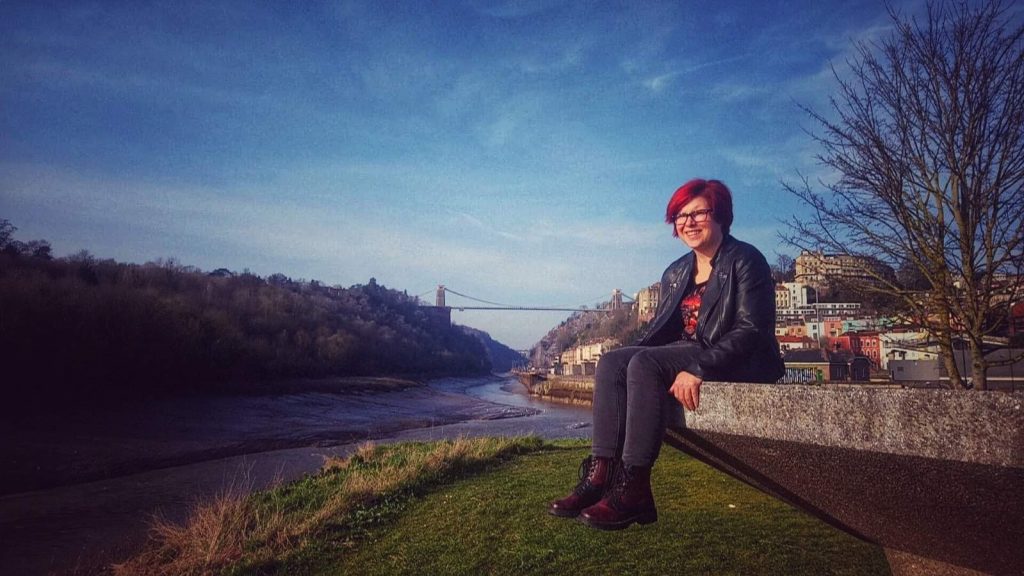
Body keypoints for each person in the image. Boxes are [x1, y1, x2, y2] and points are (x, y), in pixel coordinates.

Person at [548, 178, 785, 530]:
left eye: (698, 213)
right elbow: (662, 332)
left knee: (643, 363)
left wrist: (699, 368)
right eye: (680, 216)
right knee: (613, 362)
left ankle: (634, 488)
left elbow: (752, 330)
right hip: (689, 351)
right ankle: (601, 476)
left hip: (739, 359)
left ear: (720, 215)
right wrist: (626, 368)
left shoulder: (746, 260)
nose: (688, 223)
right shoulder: (676, 272)